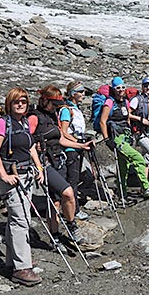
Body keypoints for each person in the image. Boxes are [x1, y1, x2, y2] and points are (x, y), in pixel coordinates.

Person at [0, 87, 44, 286]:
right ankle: (22, 268)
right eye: (16, 102)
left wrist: (39, 167)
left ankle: (13, 262)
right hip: (11, 176)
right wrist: (4, 175)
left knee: (19, 218)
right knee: (21, 220)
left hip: (26, 174)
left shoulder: (24, 122)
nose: (20, 104)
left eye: (24, 102)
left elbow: (30, 147)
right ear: (9, 104)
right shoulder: (2, 123)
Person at [28, 85, 91, 248]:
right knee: (68, 193)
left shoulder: (52, 115)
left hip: (58, 160)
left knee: (55, 202)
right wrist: (35, 146)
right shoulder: (34, 118)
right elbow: (26, 140)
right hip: (44, 163)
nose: (57, 107)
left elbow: (61, 138)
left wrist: (81, 146)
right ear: (45, 100)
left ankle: (55, 237)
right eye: (54, 104)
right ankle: (72, 226)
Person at [98, 76, 149, 200]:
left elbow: (127, 118)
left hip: (125, 136)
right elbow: (102, 121)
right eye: (118, 88)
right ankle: (146, 187)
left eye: (122, 87)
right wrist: (107, 140)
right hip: (116, 138)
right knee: (138, 158)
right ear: (113, 89)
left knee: (123, 165)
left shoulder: (125, 101)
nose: (121, 90)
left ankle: (122, 193)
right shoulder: (109, 103)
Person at [61, 81, 90, 220]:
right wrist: (77, 142)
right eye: (81, 92)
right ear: (73, 94)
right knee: (72, 179)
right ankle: (74, 210)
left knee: (75, 178)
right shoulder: (67, 110)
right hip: (71, 148)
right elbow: (64, 131)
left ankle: (73, 208)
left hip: (77, 147)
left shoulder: (75, 108)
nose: (83, 94)